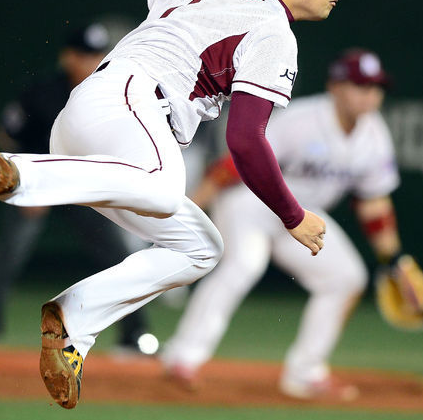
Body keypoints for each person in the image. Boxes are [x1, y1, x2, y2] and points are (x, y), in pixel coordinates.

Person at [0, 0, 370, 409]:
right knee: (162, 188)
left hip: (93, 123)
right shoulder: (274, 32)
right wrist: (292, 215)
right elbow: (245, 140)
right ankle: (24, 173)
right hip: (133, 108)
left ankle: (75, 320)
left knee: (201, 248)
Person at [161, 49, 403, 400]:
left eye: (376, 87)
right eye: (360, 85)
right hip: (251, 203)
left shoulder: (375, 135)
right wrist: (189, 210)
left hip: (303, 217)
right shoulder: (303, 119)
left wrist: (393, 259)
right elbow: (236, 163)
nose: (369, 95)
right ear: (335, 86)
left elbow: (374, 202)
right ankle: (183, 357)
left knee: (346, 277)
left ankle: (306, 373)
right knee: (244, 264)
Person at [0, 22, 157, 357]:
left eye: (96, 54)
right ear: (67, 56)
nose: (90, 61)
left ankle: (134, 337)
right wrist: (22, 184)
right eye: (84, 54)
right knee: (8, 255)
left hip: (82, 187)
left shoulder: (109, 92)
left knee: (118, 258)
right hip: (35, 184)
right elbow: (7, 134)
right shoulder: (41, 91)